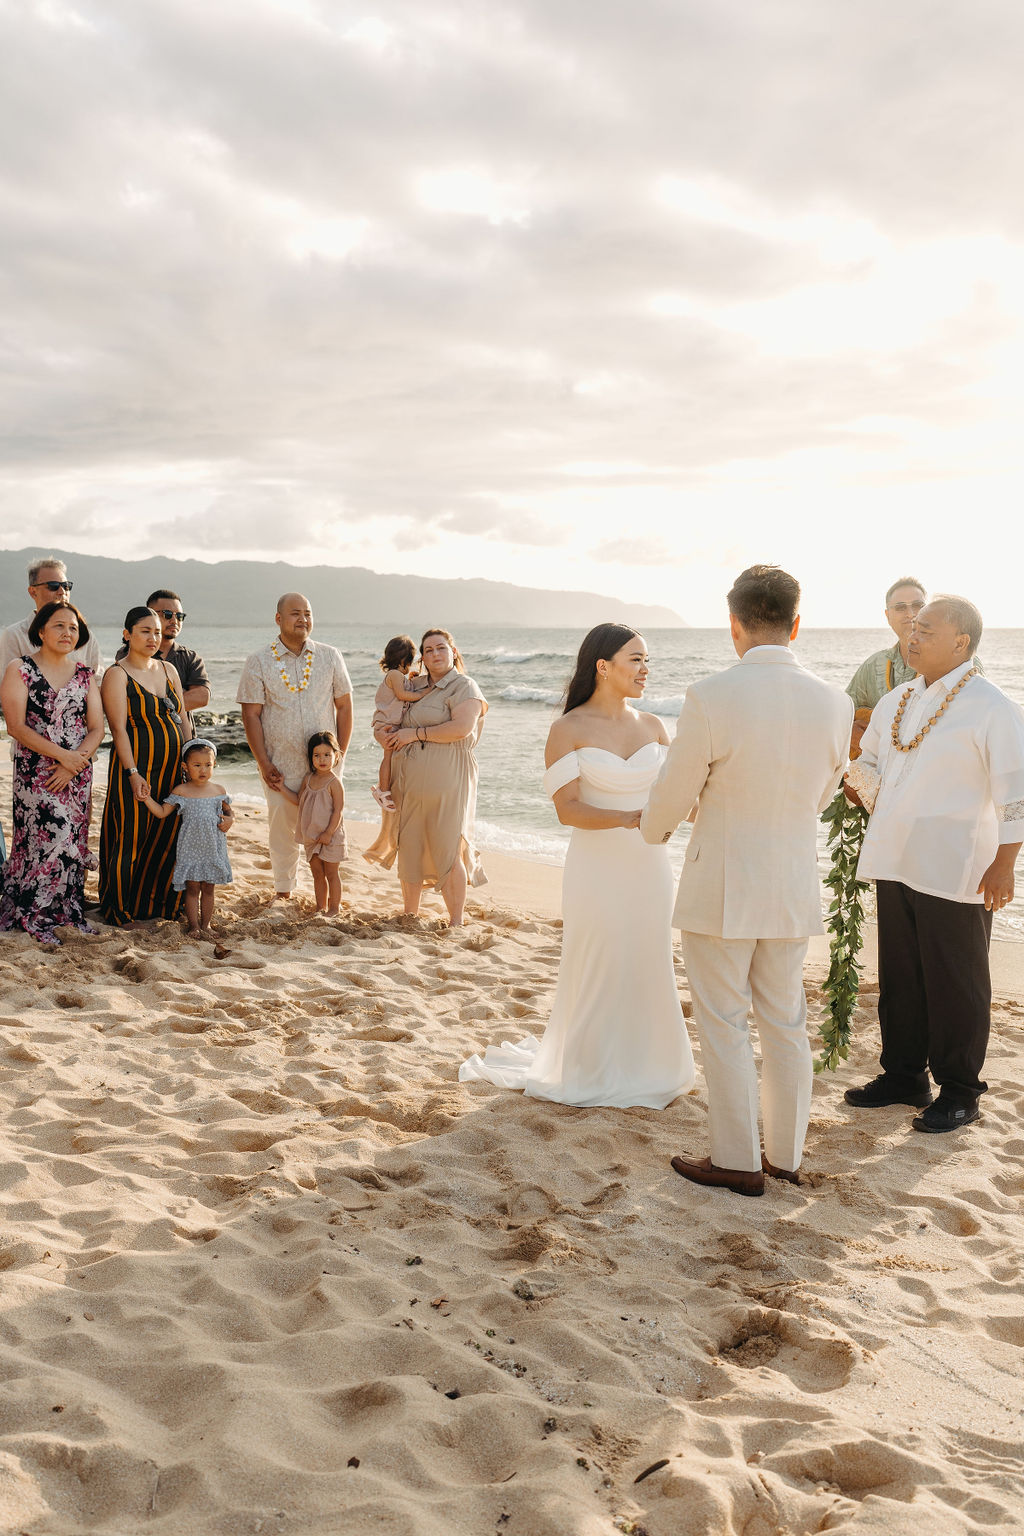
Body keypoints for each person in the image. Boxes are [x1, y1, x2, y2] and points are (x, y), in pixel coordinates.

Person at [641, 566, 852, 1196]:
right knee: (785, 1020)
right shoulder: (834, 702)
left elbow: (672, 798)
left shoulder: (711, 695)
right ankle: (785, 1155)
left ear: (734, 624)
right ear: (796, 623)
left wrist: (655, 828)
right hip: (791, 883)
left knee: (724, 1020)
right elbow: (819, 795)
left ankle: (736, 1158)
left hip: (723, 885)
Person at [460, 623, 696, 1107]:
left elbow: (680, 798)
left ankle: (653, 1065)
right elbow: (567, 809)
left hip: (651, 866)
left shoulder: (653, 725)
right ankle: (590, 1066)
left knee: (648, 958)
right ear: (603, 667)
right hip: (597, 868)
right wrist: (634, 818)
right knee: (599, 959)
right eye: (636, 660)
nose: (646, 669)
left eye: (647, 659)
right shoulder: (566, 730)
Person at [843, 596, 1024, 1133]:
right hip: (896, 856)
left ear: (961, 643)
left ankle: (962, 1091)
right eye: (911, 627)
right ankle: (904, 1077)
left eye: (925, 628)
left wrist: (1005, 863)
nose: (912, 635)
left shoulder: (992, 706)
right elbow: (870, 760)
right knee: (901, 976)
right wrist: (859, 785)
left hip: (957, 864)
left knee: (957, 980)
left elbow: (1015, 794)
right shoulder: (899, 697)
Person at [236, 594, 353, 900]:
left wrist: (339, 756)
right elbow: (251, 714)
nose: (303, 619)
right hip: (280, 763)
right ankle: (285, 890)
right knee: (282, 829)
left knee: (328, 826)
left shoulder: (330, 656)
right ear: (278, 619)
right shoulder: (258, 660)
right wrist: (263, 763)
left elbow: (345, 706)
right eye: (295, 613)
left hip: (325, 763)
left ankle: (327, 896)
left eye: (308, 613)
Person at [0, 602, 104, 945]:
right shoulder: (20, 668)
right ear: (41, 631)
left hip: (76, 774)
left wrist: (76, 761)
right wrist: (63, 757)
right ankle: (31, 909)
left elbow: (96, 728)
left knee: (72, 837)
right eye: (59, 626)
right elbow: (15, 726)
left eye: (73, 628)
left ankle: (64, 909)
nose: (67, 633)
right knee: (46, 835)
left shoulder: (86, 674)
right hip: (36, 772)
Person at [381, 628, 487, 927]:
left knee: (448, 845)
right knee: (411, 844)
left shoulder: (465, 686)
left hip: (449, 778)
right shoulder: (414, 686)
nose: (435, 654)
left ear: (453, 651)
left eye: (441, 648)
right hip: (409, 780)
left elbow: (461, 728)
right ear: (422, 658)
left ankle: (455, 921)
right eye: (428, 650)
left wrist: (414, 734)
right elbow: (389, 715)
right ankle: (410, 914)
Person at [99, 606, 192, 926]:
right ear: (127, 634)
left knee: (169, 836)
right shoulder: (117, 674)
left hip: (173, 769)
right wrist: (132, 773)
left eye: (157, 631)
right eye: (144, 631)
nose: (153, 637)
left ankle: (158, 905)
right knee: (132, 837)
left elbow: (183, 720)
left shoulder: (169, 670)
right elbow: (118, 730)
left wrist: (192, 764)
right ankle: (121, 909)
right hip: (136, 767)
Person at [141, 738, 234, 938]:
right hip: (191, 848)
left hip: (213, 847)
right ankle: (194, 926)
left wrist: (230, 820)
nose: (203, 770)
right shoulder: (182, 791)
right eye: (197, 765)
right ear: (185, 766)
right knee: (192, 888)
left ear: (214, 764)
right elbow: (162, 812)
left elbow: (229, 812)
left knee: (209, 888)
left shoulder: (219, 791)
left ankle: (206, 925)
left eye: (208, 765)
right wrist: (146, 798)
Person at [0, 556, 104, 688]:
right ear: (33, 592)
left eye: (66, 586)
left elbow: (98, 681)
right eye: (53, 586)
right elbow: (6, 687)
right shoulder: (14, 635)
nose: (62, 592)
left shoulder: (85, 636)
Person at [117, 589, 210, 729]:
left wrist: (154, 705)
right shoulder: (127, 653)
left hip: (183, 738)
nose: (174, 620)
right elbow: (127, 700)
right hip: (141, 738)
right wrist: (180, 696)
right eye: (167, 615)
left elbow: (202, 697)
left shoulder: (190, 657)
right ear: (150, 613)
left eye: (179, 616)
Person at [279, 730, 347, 916]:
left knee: (332, 873)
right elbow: (298, 799)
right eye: (317, 755)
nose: (322, 759)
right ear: (311, 757)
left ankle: (334, 908)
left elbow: (338, 811)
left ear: (336, 756)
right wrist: (281, 787)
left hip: (330, 835)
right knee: (317, 873)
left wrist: (328, 833)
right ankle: (320, 907)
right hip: (311, 835)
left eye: (327, 755)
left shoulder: (334, 782)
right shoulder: (308, 779)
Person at [370, 635, 433, 811]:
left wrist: (411, 680)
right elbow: (402, 695)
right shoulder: (394, 675)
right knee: (387, 757)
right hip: (385, 724)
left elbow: (403, 689)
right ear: (404, 660)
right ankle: (382, 791)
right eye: (410, 662)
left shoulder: (397, 676)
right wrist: (424, 693)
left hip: (389, 723)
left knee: (390, 757)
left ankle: (383, 787)